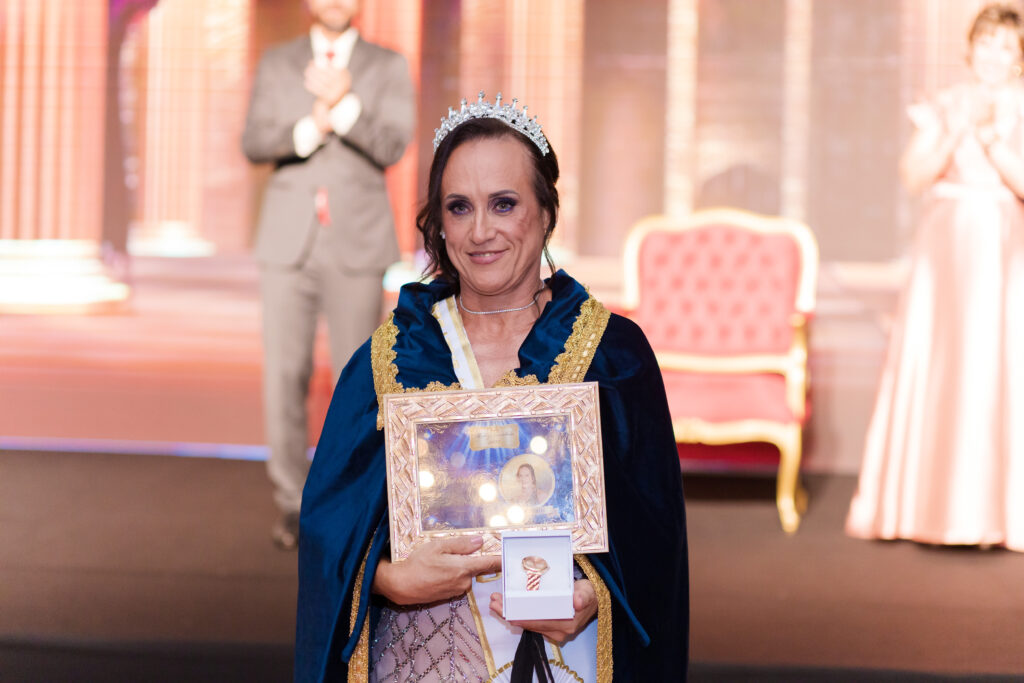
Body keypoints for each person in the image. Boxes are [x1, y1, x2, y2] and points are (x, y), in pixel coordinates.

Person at [296, 92, 689, 681]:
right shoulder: (390, 360)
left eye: (504, 204)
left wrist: (595, 598)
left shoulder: (612, 356)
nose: (480, 231)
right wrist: (388, 579)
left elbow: (657, 541)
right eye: (459, 208)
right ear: (439, 224)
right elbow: (328, 531)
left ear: (546, 212)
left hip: (571, 661)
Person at [846, 3, 1024, 552]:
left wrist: (990, 139)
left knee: (997, 364)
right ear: (970, 50)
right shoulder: (944, 104)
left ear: (1018, 59)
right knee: (942, 365)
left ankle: (997, 512)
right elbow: (914, 176)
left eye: (1005, 47)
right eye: (986, 43)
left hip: (1003, 250)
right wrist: (953, 131)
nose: (993, 56)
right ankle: (923, 505)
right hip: (944, 253)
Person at [241, 0, 415, 549]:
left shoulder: (386, 64)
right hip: (287, 242)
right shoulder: (278, 61)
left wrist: (344, 106)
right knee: (284, 375)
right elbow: (254, 141)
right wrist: (308, 128)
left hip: (356, 243)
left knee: (357, 382)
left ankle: (350, 505)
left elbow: (393, 144)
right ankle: (293, 503)